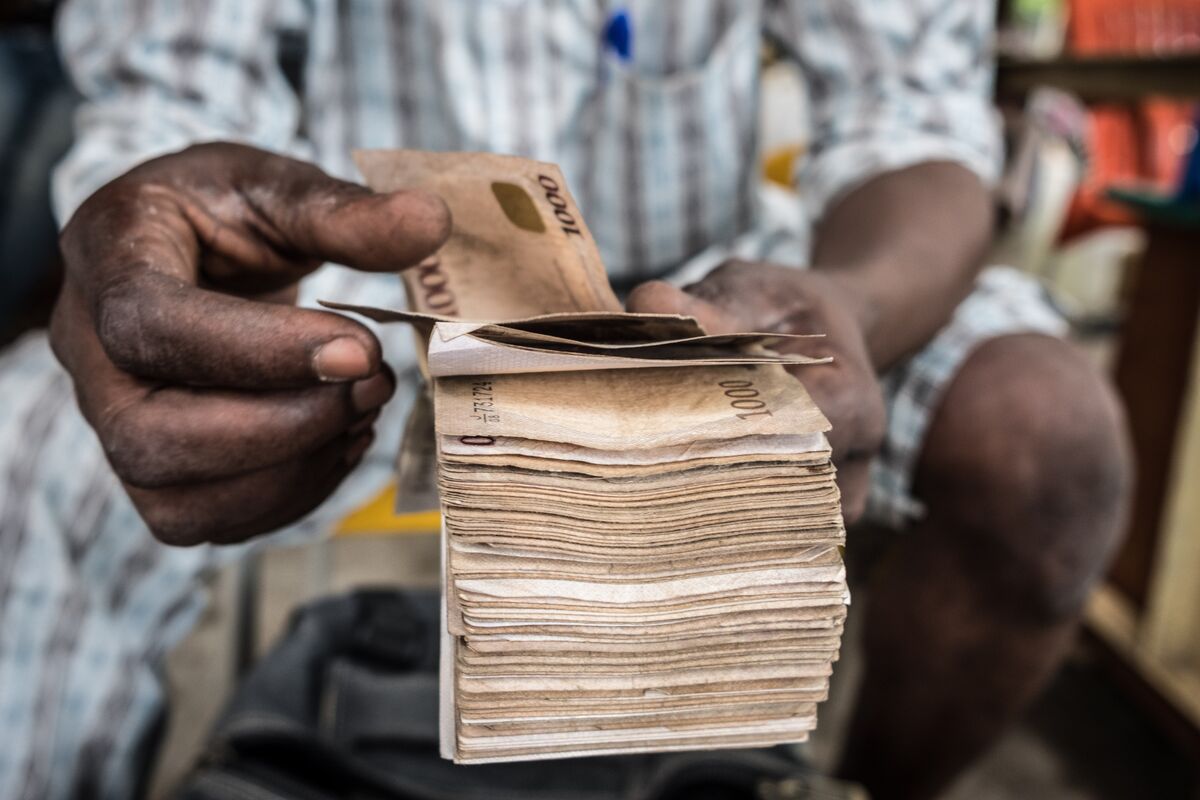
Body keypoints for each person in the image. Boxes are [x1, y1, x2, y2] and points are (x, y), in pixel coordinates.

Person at [0, 1, 1131, 798]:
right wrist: (165, 240)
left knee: (1046, 443)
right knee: (39, 468)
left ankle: (859, 790)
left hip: (713, 276)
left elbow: (915, 118)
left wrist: (848, 301)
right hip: (344, 277)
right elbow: (171, 82)